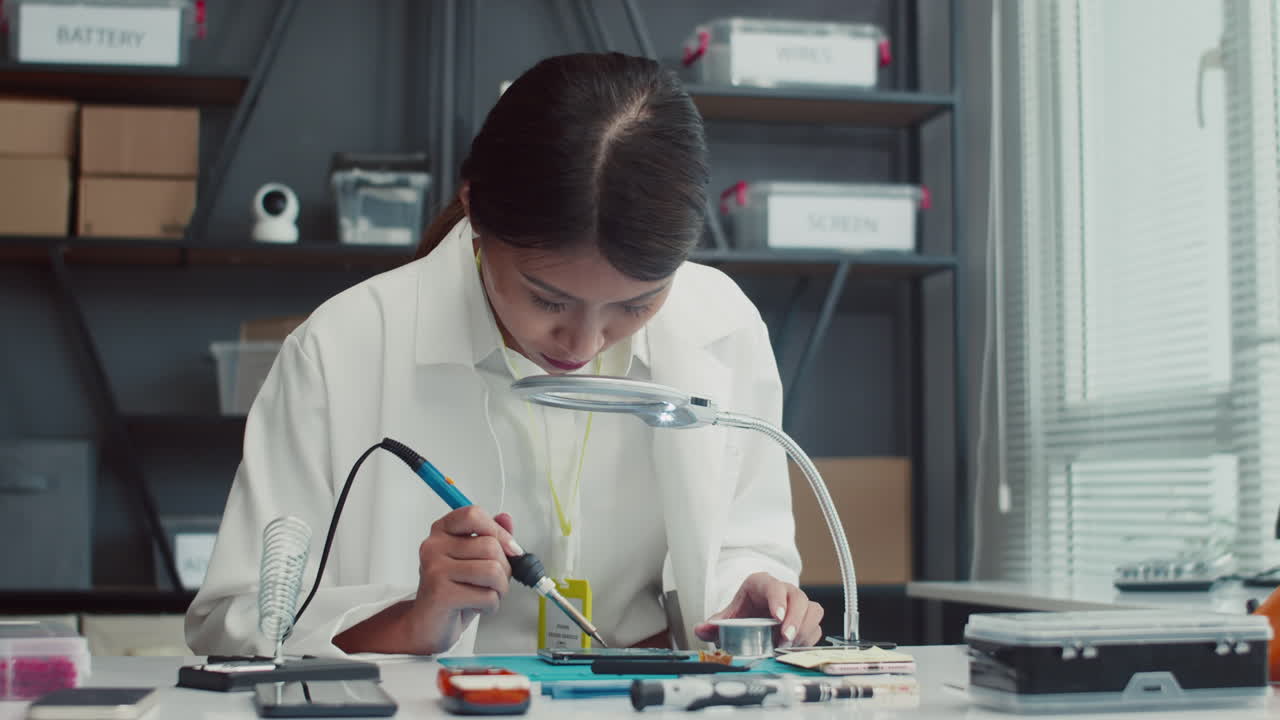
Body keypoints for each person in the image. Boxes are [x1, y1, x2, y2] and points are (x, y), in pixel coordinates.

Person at [186, 52, 823, 657]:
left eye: (635, 305)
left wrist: (754, 594)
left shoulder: (721, 325)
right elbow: (234, 621)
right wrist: (413, 619)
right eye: (548, 300)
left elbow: (745, 542)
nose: (581, 343)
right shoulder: (344, 347)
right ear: (475, 212)